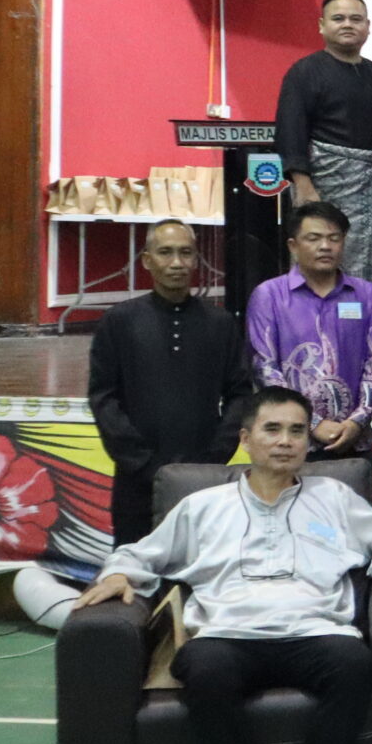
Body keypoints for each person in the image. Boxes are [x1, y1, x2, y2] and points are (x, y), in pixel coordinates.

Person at [74, 387, 372, 744]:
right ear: (246, 439)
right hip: (228, 633)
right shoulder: (203, 506)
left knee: (354, 664)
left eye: (297, 431)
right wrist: (120, 574)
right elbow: (143, 554)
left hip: (314, 629)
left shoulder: (334, 498)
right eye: (272, 429)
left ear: (308, 442)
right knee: (204, 670)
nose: (285, 441)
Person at [88, 219, 256, 545]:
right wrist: (141, 462)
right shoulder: (119, 322)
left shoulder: (220, 324)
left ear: (196, 260)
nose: (177, 262)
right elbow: (103, 397)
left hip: (205, 477)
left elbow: (240, 394)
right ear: (147, 260)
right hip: (136, 480)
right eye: (165, 252)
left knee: (203, 561)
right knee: (136, 565)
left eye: (186, 253)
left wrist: (212, 460)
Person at [275, 0, 372, 303]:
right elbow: (290, 131)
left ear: (368, 27)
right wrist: (304, 187)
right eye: (338, 18)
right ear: (322, 26)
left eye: (355, 19)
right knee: (325, 254)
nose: (348, 24)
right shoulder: (303, 73)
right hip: (326, 189)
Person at [246, 201, 372, 461]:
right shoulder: (269, 295)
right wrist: (312, 423)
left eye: (334, 238)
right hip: (289, 443)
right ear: (293, 245)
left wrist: (356, 422)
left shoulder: (366, 294)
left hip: (354, 442)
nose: (325, 246)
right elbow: (264, 368)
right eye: (314, 238)